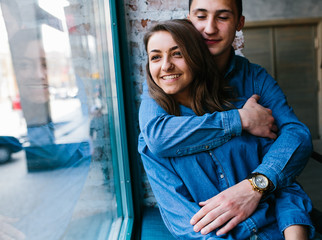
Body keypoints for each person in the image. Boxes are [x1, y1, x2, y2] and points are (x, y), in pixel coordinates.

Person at [139, 0, 313, 236]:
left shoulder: (253, 84)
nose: (210, 28)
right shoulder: (165, 85)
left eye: (222, 17)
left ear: (239, 22)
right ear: (189, 20)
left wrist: (255, 186)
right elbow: (156, 138)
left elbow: (294, 139)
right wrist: (241, 120)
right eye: (201, 17)